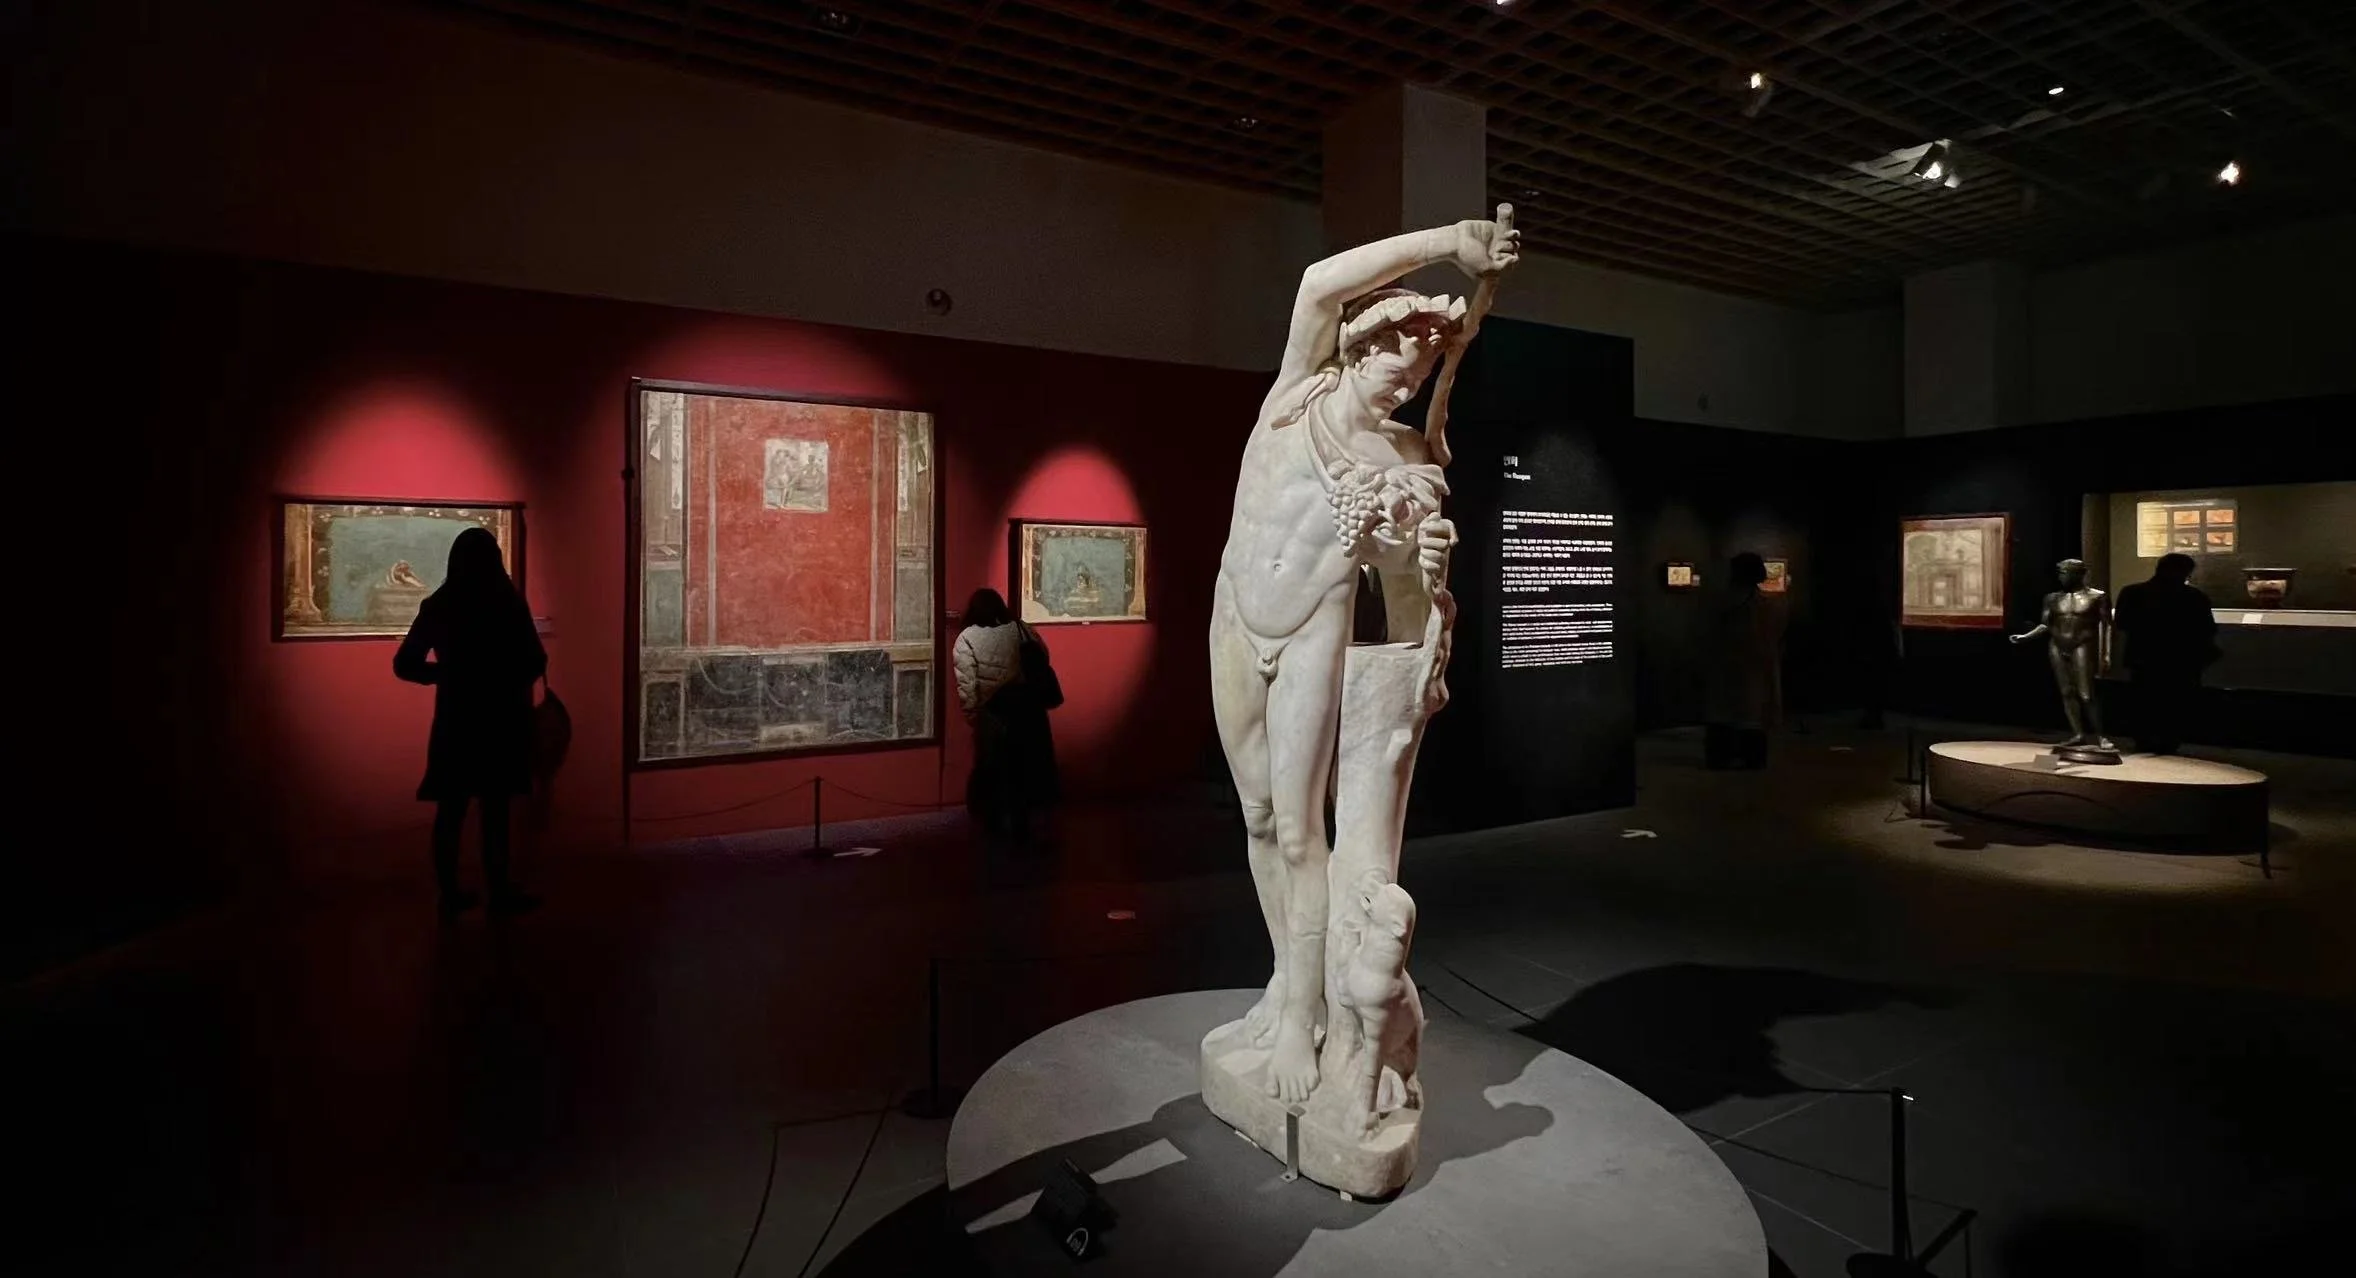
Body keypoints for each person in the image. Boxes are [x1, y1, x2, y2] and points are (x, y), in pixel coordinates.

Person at [1210, 213, 1517, 1103]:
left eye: (1424, 373)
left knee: (1306, 831)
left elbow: (1404, 572)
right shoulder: (1293, 395)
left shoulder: (1407, 453)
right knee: (1261, 818)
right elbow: (1317, 281)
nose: (1409, 382)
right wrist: (1453, 241)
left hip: (1315, 629)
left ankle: (1308, 1014)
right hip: (1235, 617)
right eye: (1398, 363)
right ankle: (1284, 986)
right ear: (1360, 347)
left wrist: (1416, 554)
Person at [393, 527, 546, 918]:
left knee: (451, 810)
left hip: (456, 721)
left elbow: (405, 664)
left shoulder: (441, 604)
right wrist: (504, 683)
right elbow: (535, 660)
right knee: (495, 811)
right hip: (500, 720)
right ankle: (499, 892)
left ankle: (449, 894)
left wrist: (446, 676)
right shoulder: (507, 603)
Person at [953, 588, 1058, 841]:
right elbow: (1042, 656)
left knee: (994, 770)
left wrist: (973, 717)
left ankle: (994, 827)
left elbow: (967, 685)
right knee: (1025, 769)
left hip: (994, 714)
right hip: (1029, 710)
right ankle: (1023, 827)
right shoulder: (1020, 628)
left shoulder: (967, 637)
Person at [2113, 552, 2218, 755]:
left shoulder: (2132, 592)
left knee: (2144, 701)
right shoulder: (2195, 597)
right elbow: (2207, 630)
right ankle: (2167, 742)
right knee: (2175, 704)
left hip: (2144, 657)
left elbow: (2122, 623)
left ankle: (2145, 740)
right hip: (2181, 660)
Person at [2010, 557, 2117, 758]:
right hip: (2057, 645)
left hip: (2083, 644)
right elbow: (2046, 624)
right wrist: (2026, 637)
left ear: (2080, 574)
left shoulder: (2097, 597)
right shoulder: (2052, 598)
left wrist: (2107, 654)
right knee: (2067, 692)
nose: (2062, 577)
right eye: (2060, 573)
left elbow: (2107, 626)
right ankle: (2078, 734)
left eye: (2066, 572)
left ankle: (2102, 736)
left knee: (2086, 693)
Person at [1703, 552, 1786, 769]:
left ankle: (1722, 757)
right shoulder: (1764, 605)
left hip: (1727, 669)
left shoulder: (1718, 602)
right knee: (1752, 716)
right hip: (1755, 670)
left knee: (1724, 714)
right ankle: (1751, 758)